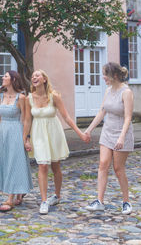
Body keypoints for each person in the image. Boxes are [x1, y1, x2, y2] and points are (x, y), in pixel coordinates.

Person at [23, 69, 89, 215]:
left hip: (54, 133)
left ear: (44, 79)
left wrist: (80, 134)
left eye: (37, 75)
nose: (34, 77)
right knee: (43, 165)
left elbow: (66, 117)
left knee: (55, 166)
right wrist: (25, 139)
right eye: (32, 76)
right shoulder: (29, 98)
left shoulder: (54, 96)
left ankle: (57, 195)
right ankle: (44, 201)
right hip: (38, 134)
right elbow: (27, 120)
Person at [84, 62, 134, 215]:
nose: (103, 77)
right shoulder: (108, 91)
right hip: (107, 132)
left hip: (121, 133)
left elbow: (128, 117)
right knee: (103, 164)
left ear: (115, 76)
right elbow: (102, 112)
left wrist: (121, 137)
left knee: (118, 169)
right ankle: (99, 201)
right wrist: (88, 130)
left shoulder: (126, 92)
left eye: (105, 74)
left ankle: (126, 201)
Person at [0, 71, 33, 212]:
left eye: (6, 76)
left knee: (14, 162)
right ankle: (19, 192)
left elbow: (26, 119)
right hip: (3, 132)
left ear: (13, 79)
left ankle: (10, 198)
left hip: (16, 130)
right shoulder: (0, 96)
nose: (2, 78)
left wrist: (25, 138)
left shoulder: (21, 98)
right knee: (5, 162)